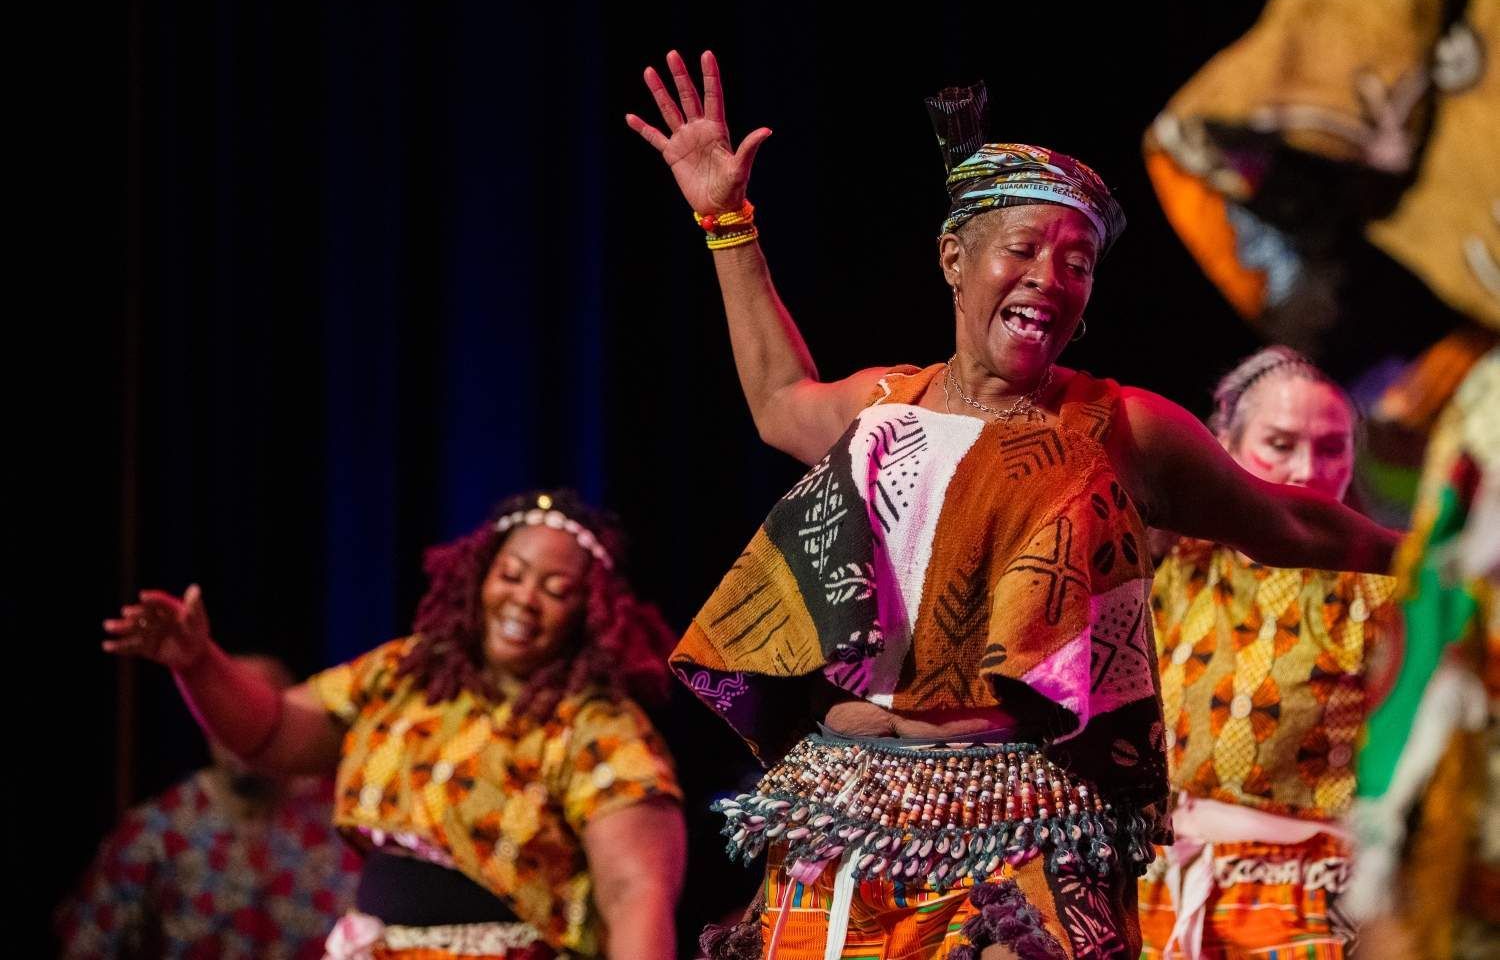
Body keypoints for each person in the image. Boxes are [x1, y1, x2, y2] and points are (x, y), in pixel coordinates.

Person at [627, 52, 1402, 959]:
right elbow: (776, 401)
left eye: (1078, 263)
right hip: (838, 813)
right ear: (955, 258)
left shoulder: (1120, 425)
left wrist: (1443, 547)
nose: (1051, 276)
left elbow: (1291, 523)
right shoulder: (886, 406)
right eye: (1024, 249)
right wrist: (726, 220)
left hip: (1021, 820)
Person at [102, 489, 686, 960]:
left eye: (556, 589)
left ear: (591, 611)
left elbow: (635, 894)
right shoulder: (406, 674)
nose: (525, 599)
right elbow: (271, 733)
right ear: (479, 576)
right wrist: (199, 664)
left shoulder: (599, 728)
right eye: (512, 575)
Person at [1136, 347, 1399, 958]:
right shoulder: (1171, 564)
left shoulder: (1383, 595)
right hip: (1157, 895)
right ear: (1223, 447)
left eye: (1332, 447)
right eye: (1280, 444)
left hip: (1305, 908)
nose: (1308, 469)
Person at [55, 655, 362, 959]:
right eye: (229, 711)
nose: (239, 729)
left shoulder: (343, 826)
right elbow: (88, 943)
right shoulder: (157, 832)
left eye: (255, 712)